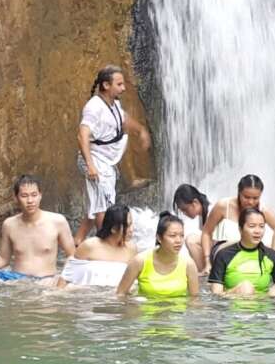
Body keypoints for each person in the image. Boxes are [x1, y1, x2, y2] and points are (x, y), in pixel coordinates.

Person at [74, 64, 151, 246]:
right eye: (119, 84)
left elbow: (123, 119)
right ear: (106, 85)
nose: (123, 88)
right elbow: (82, 135)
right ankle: (107, 244)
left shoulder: (113, 104)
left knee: (98, 203)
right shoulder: (94, 108)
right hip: (95, 160)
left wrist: (140, 130)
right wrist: (91, 165)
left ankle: (77, 241)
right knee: (105, 205)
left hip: (105, 161)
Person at [0, 175, 76, 283]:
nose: (30, 200)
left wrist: (62, 279)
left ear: (40, 196)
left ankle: (7, 286)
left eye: (34, 195)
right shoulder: (9, 224)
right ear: (16, 198)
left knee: (70, 286)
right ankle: (5, 285)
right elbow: (3, 258)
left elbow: (72, 256)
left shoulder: (57, 221)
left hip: (46, 280)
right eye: (24, 196)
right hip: (16, 279)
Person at [200, 174, 275, 275]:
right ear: (239, 192)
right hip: (224, 251)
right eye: (246, 197)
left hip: (252, 252)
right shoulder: (223, 206)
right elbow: (206, 232)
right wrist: (207, 262)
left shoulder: (264, 211)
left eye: (255, 198)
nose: (251, 202)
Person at [209, 208, 275, 297]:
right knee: (246, 288)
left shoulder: (271, 255)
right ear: (240, 229)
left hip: (264, 304)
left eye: (261, 226)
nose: (257, 231)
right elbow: (216, 294)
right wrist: (239, 291)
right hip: (235, 305)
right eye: (252, 226)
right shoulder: (224, 255)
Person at [117, 212, 199, 298]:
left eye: (181, 235)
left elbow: (194, 300)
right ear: (159, 238)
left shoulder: (189, 264)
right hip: (146, 311)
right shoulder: (139, 261)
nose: (178, 240)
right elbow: (120, 294)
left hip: (178, 311)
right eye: (173, 235)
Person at [58, 204, 137, 287]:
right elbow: (66, 277)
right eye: (128, 226)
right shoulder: (89, 246)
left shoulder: (131, 249)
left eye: (131, 224)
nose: (131, 229)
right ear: (114, 229)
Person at [173, 184, 211, 271]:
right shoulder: (202, 215)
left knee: (191, 240)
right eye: (182, 211)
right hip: (215, 250)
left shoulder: (211, 212)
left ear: (195, 203)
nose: (184, 213)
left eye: (185, 209)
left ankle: (205, 272)